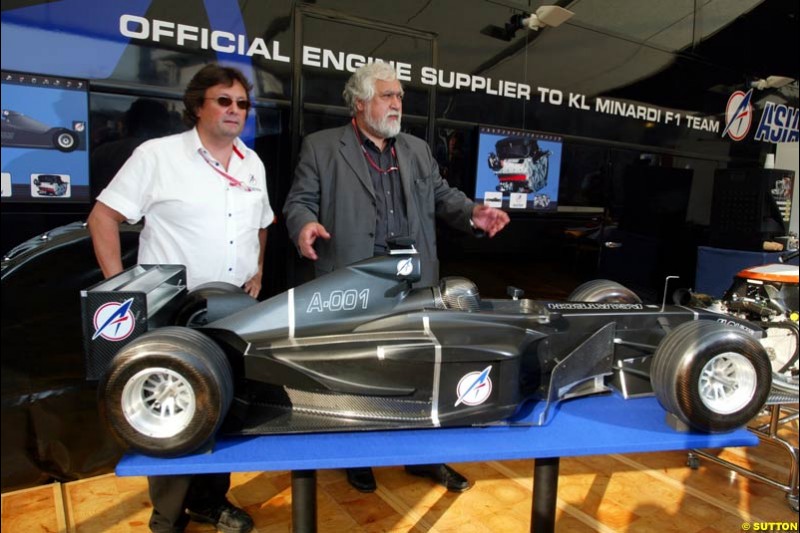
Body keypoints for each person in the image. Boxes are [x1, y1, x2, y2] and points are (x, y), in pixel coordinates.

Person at [283, 62, 509, 493]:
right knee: (359, 369)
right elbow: (299, 201)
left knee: (424, 366)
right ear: (361, 102)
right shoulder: (322, 147)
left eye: (400, 96)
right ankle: (359, 456)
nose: (397, 104)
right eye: (388, 95)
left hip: (414, 279)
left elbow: (443, 196)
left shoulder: (417, 149)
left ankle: (424, 457)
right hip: (355, 278)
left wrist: (475, 212)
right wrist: (304, 226)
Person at [87, 63, 273, 533]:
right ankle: (166, 518)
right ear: (197, 105)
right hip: (174, 311)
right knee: (173, 412)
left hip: (232, 308)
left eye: (242, 104)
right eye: (224, 101)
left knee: (225, 405)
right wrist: (123, 290)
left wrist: (258, 269)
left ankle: (210, 502)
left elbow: (263, 223)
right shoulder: (158, 155)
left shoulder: (252, 163)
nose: (235, 111)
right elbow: (102, 218)